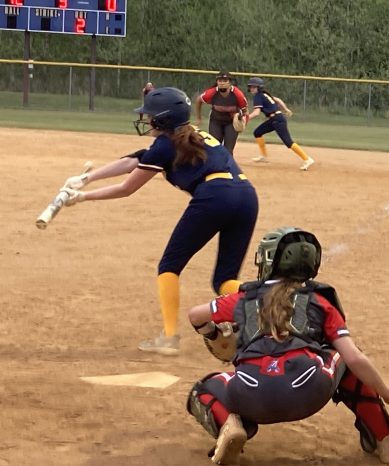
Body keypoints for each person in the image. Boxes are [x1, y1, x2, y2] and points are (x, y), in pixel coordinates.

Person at [186, 226, 389, 465]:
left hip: (250, 394)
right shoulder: (320, 302)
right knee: (346, 357)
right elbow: (355, 358)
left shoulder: (242, 299)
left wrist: (212, 333)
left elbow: (195, 315)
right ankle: (385, 439)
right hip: (309, 391)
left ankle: (228, 427)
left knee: (202, 389)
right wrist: (388, 393)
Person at [61, 87, 259, 355]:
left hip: (215, 196)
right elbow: (136, 160)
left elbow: (126, 188)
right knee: (224, 281)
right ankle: (267, 304)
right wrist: (87, 177)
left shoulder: (165, 144)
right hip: (247, 196)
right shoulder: (191, 136)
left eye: (150, 116)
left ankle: (169, 338)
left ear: (162, 120)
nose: (146, 119)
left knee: (169, 265)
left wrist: (82, 197)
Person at [246, 77, 315, 171]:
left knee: (288, 142)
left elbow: (257, 112)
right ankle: (263, 156)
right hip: (274, 119)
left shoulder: (258, 96)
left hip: (277, 120)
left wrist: (246, 118)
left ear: (259, 87)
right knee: (257, 132)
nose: (252, 89)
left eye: (254, 87)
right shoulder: (265, 94)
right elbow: (277, 100)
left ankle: (307, 159)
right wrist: (285, 109)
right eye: (251, 87)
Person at [194, 70, 249, 155]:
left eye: (225, 81)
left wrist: (243, 121)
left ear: (230, 83)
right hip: (216, 121)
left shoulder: (237, 94)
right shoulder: (212, 93)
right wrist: (198, 117)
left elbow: (245, 110)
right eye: (220, 81)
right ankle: (214, 167)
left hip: (231, 122)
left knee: (228, 150)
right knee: (214, 147)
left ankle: (227, 167)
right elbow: (199, 100)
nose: (222, 83)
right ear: (217, 82)